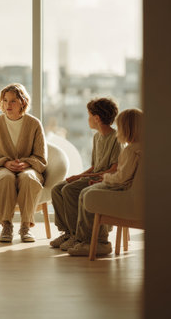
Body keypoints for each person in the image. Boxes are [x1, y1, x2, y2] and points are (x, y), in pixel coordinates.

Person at [68, 108, 143, 256]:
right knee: (89, 191)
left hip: (122, 189)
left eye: (120, 127)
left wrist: (105, 179)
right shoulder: (141, 148)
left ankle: (96, 242)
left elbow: (121, 178)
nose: (118, 131)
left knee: (86, 193)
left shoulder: (131, 151)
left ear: (127, 129)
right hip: (125, 187)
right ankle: (86, 241)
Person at [50, 98, 121, 251]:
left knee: (69, 190)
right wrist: (79, 176)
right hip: (94, 175)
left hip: (103, 179)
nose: (88, 119)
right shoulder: (96, 137)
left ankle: (78, 235)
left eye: (89, 116)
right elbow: (95, 166)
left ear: (97, 118)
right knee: (57, 189)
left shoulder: (116, 139)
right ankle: (68, 232)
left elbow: (113, 170)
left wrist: (81, 178)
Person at [0, 83, 47, 243]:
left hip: (29, 168)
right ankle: (6, 225)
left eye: (13, 101)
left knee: (28, 178)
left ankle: (25, 227)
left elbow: (41, 157)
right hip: (0, 169)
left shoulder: (34, 124)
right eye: (5, 100)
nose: (8, 105)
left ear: (23, 102)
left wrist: (25, 163)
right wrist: (4, 163)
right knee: (6, 178)